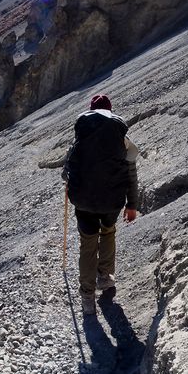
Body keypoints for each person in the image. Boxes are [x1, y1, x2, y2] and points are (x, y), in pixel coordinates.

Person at [63, 94, 139, 315]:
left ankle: (87, 298)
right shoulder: (121, 139)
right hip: (111, 201)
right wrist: (132, 204)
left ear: (90, 111)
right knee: (108, 232)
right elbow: (131, 174)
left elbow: (66, 171)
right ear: (110, 111)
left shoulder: (80, 135)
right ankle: (105, 278)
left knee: (88, 244)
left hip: (83, 200)